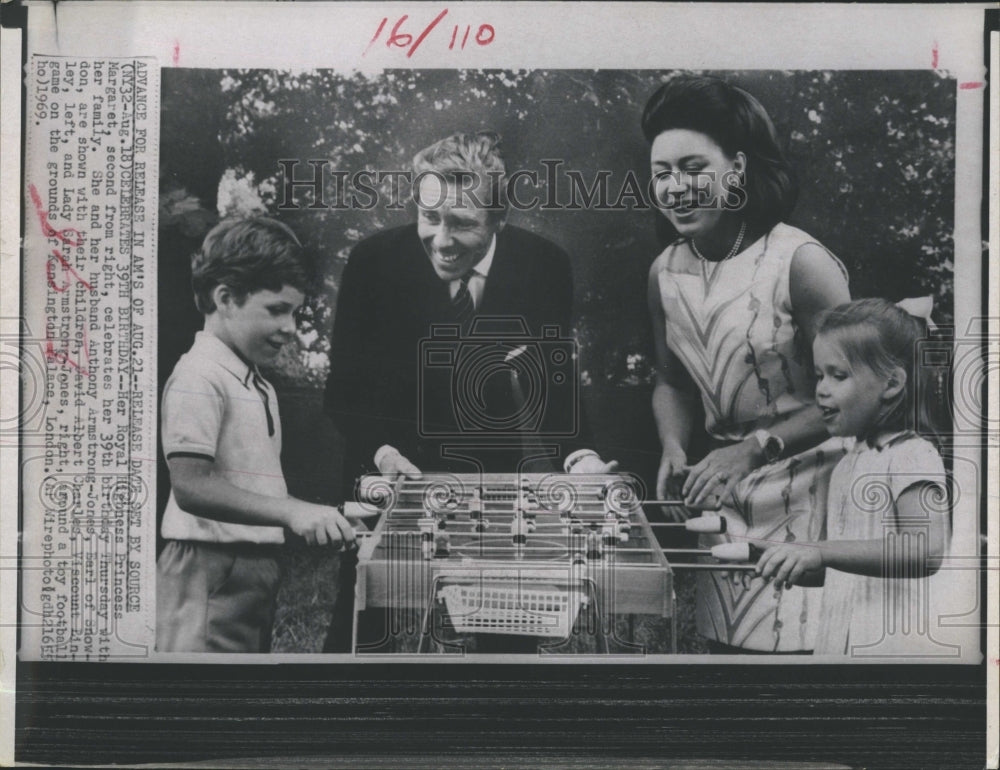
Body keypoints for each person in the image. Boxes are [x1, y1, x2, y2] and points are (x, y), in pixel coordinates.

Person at [323, 131, 613, 652]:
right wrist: (384, 454)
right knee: (367, 630)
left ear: (499, 220)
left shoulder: (544, 264)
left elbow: (551, 376)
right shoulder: (372, 261)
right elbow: (342, 389)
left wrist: (580, 456)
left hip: (489, 477)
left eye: (462, 224)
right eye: (430, 218)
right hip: (383, 467)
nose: (441, 239)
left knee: (504, 633)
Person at [643, 76, 852, 652]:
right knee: (722, 665)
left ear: (736, 169)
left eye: (693, 168)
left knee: (797, 670)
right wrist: (674, 447)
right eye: (663, 172)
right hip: (722, 502)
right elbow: (670, 381)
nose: (676, 188)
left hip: (816, 498)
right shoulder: (664, 271)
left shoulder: (801, 262)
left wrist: (757, 446)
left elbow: (857, 396)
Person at [156, 217, 367, 653]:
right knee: (198, 699)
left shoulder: (254, 382)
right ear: (226, 298)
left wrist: (326, 513)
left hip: (253, 569)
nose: (291, 327)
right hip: (208, 568)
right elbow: (191, 485)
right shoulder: (199, 374)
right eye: (277, 309)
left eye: (295, 312)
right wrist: (292, 512)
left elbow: (253, 484)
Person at [756, 298, 952, 656]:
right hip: (840, 647)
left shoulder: (913, 455)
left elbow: (927, 550)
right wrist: (777, 557)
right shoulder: (847, 463)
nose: (821, 389)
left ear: (891, 384)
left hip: (892, 653)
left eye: (838, 375)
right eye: (819, 375)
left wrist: (820, 551)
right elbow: (835, 565)